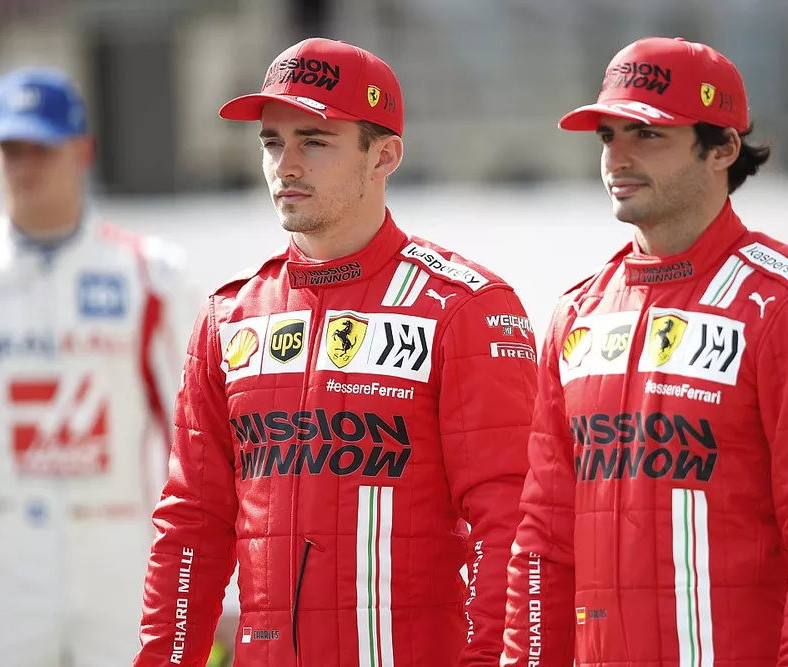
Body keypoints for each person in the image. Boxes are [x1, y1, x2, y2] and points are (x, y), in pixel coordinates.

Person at [133, 38, 538, 667]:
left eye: (314, 142)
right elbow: (192, 525)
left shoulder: (464, 307)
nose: (285, 165)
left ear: (384, 156)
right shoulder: (229, 313)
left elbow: (509, 521)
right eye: (272, 142)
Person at [501, 37, 788, 667]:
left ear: (723, 148)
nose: (617, 157)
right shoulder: (577, 314)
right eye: (607, 136)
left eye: (647, 135)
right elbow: (543, 539)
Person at [0, 68, 201, 667]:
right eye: (9, 149)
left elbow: (200, 436)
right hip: (3, 563)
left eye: (41, 148)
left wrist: (214, 576)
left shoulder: (152, 274)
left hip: (124, 552)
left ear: (82, 150)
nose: (25, 165)